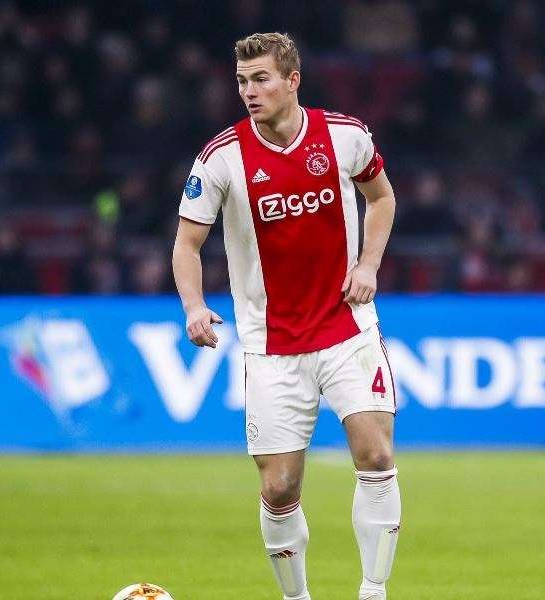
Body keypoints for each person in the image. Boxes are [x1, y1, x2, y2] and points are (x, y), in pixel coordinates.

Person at [172, 33, 401, 600]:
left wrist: (368, 264)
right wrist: (194, 306)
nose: (248, 91)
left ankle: (373, 592)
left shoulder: (345, 136)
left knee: (376, 455)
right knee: (279, 488)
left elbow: (382, 198)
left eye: (261, 79)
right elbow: (186, 244)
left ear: (293, 80)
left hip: (348, 328)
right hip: (271, 345)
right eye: (242, 81)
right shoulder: (221, 157)